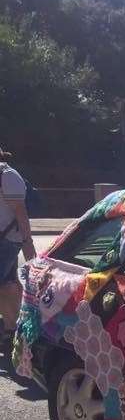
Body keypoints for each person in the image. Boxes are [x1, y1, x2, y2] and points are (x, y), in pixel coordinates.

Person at [0, 148, 37, 348]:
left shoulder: (8, 177)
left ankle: (16, 327)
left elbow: (21, 214)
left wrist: (27, 243)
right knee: (7, 285)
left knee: (7, 285)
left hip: (7, 241)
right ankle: (12, 329)